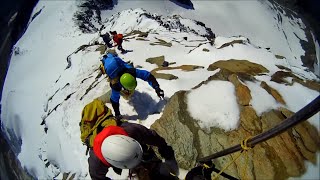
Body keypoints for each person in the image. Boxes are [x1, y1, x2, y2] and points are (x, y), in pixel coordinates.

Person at [88, 121, 179, 180]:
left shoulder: (131, 131)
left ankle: (151, 166)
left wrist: (164, 148)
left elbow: (152, 136)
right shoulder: (96, 163)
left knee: (148, 156)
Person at [100, 52, 164, 120]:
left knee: (127, 93)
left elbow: (147, 76)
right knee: (124, 94)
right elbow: (114, 100)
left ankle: (128, 92)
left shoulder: (131, 71)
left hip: (113, 63)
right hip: (110, 67)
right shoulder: (116, 85)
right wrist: (117, 114)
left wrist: (157, 88)